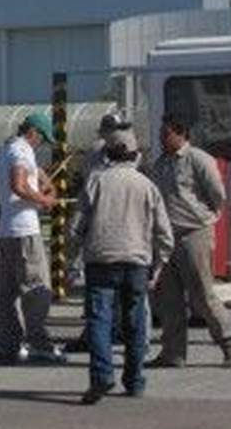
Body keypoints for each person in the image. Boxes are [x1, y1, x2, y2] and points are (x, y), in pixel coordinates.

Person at [72, 127, 173, 404]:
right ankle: (135, 380)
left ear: (107, 155)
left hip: (101, 260)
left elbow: (75, 227)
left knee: (99, 321)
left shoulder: (96, 180)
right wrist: (159, 265)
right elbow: (165, 234)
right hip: (137, 262)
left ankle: (102, 376)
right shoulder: (147, 185)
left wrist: (74, 258)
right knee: (136, 323)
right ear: (135, 155)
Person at [147, 115, 231, 368]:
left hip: (193, 234)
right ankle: (173, 353)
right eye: (160, 134)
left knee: (201, 294)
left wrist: (205, 217)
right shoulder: (161, 163)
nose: (161, 139)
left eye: (166, 134)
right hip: (167, 238)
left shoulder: (198, 159)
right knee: (169, 298)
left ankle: (228, 342)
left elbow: (217, 195)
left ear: (181, 134)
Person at [0, 112, 66, 364]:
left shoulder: (4, 152)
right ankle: (39, 343)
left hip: (6, 230)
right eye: (42, 138)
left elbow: (2, 188)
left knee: (8, 293)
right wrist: (45, 200)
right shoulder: (22, 151)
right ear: (32, 131)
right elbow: (19, 186)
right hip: (24, 231)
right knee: (37, 288)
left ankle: (8, 345)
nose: (41, 143)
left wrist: (43, 185)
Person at [65, 111, 133, 354]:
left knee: (110, 289)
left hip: (113, 227)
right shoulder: (104, 153)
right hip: (111, 226)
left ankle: (110, 332)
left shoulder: (121, 152)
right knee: (110, 289)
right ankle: (108, 333)